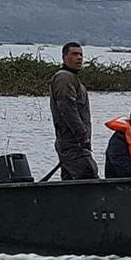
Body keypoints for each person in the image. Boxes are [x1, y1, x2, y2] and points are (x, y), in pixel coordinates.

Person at [49, 42, 99, 180]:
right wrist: (82, 135)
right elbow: (67, 108)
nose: (79, 58)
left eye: (81, 54)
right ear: (64, 57)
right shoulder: (64, 77)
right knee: (89, 178)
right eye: (74, 54)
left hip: (73, 144)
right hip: (73, 144)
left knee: (71, 183)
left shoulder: (73, 79)